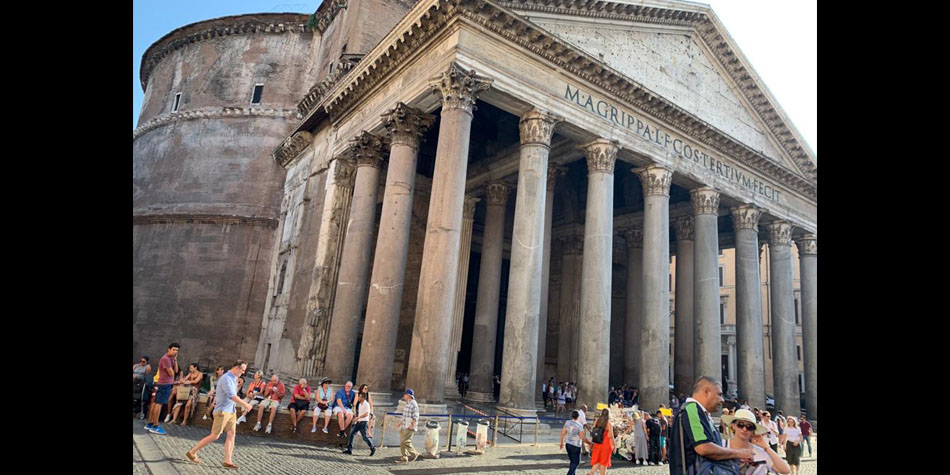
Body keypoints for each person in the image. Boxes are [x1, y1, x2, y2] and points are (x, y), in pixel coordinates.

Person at [667, 376, 755, 475]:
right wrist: (738, 453)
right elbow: (703, 447)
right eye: (720, 394)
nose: (722, 400)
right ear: (706, 392)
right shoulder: (692, 409)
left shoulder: (701, 413)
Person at [184, 360, 252, 470]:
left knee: (231, 433)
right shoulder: (226, 378)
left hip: (231, 410)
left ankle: (228, 460)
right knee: (215, 435)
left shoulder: (234, 378)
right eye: (243, 370)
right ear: (236, 368)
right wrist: (245, 404)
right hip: (222, 411)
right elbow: (232, 396)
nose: (243, 373)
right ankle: (192, 452)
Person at [722, 408, 790, 475]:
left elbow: (785, 470)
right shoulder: (721, 445)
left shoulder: (760, 452)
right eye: (740, 424)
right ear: (733, 426)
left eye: (749, 427)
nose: (744, 429)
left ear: (753, 431)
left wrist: (766, 447)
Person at [146, 343, 180, 435]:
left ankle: (150, 423)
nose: (175, 352)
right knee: (158, 404)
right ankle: (155, 425)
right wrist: (173, 371)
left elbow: (176, 371)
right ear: (169, 349)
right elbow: (171, 374)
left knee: (157, 403)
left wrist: (175, 360)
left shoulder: (171, 359)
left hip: (166, 384)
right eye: (173, 349)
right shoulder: (165, 359)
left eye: (177, 350)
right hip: (164, 384)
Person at [342, 391, 376, 456]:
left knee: (365, 437)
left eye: (359, 397)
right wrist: (357, 420)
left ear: (363, 398)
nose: (358, 398)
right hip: (358, 422)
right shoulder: (360, 404)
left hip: (363, 423)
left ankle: (373, 447)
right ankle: (349, 449)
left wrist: (358, 418)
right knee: (351, 434)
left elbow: (366, 414)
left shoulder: (366, 404)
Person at [560, 410, 590, 475]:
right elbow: (583, 437)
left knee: (572, 462)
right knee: (576, 462)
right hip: (576, 445)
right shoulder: (579, 425)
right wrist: (589, 443)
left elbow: (563, 433)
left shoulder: (567, 422)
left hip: (568, 444)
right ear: (578, 417)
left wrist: (561, 442)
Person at [396, 388, 420, 463]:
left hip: (409, 426)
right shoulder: (407, 403)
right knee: (402, 442)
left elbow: (416, 415)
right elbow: (404, 415)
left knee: (405, 441)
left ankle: (414, 453)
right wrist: (400, 423)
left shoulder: (413, 403)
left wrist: (412, 424)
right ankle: (404, 457)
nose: (404, 396)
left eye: (405, 394)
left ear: (408, 395)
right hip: (404, 425)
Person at [588, 408, 613, 475]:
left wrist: (590, 443)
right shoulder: (608, 424)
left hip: (597, 444)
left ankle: (591, 473)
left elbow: (592, 432)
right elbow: (611, 436)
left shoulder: (597, 421)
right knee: (603, 462)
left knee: (598, 460)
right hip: (606, 444)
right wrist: (614, 445)